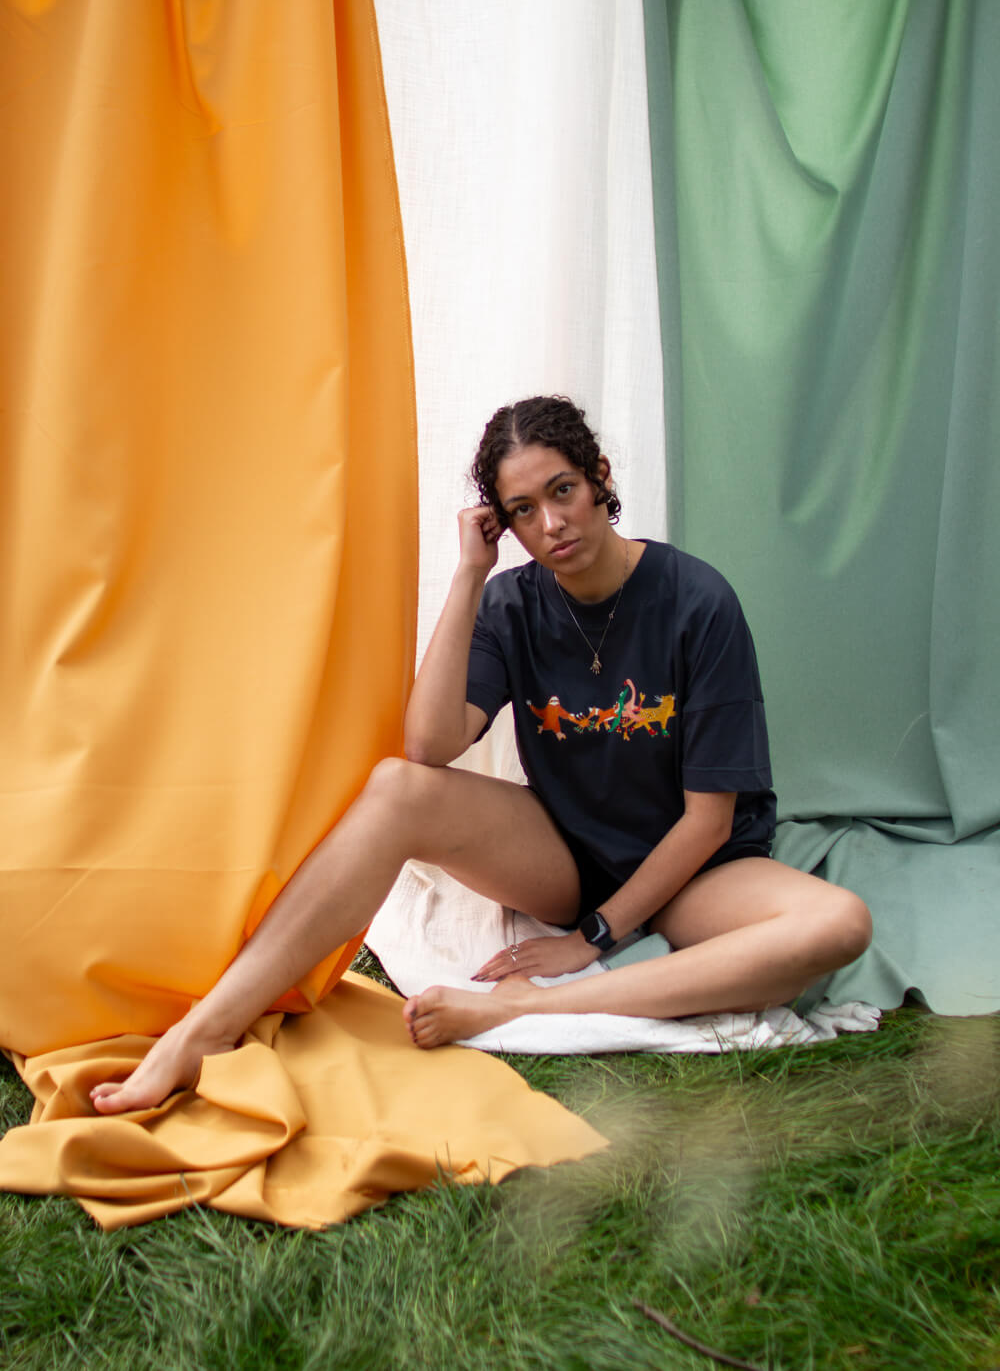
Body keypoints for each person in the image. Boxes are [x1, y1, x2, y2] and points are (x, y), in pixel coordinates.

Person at [91, 396, 871, 1113]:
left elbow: (708, 822)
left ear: (600, 479)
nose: (551, 524)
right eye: (522, 511)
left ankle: (523, 1008)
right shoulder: (511, 600)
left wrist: (592, 940)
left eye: (562, 491)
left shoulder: (697, 600)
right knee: (398, 788)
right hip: (570, 855)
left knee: (837, 924)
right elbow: (430, 744)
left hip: (696, 874)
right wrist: (470, 574)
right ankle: (200, 1033)